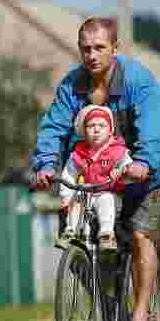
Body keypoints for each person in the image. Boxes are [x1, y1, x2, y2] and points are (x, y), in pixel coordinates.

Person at [33, 17, 160, 321]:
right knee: (73, 238)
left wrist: (144, 163)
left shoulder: (139, 81)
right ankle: (106, 309)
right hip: (89, 179)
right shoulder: (71, 85)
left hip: (136, 178)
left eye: (99, 48)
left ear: (115, 48)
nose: (91, 55)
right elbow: (53, 127)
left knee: (139, 235)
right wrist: (47, 164)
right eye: (85, 49)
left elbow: (153, 126)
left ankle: (138, 318)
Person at [56, 104, 133, 251]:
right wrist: (66, 197)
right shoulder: (78, 154)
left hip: (108, 192)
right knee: (77, 199)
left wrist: (121, 171)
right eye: (91, 126)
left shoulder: (117, 151)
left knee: (106, 200)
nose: (96, 130)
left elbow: (129, 166)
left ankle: (106, 234)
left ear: (110, 131)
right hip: (86, 193)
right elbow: (69, 175)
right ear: (84, 132)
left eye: (102, 126)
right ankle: (70, 230)